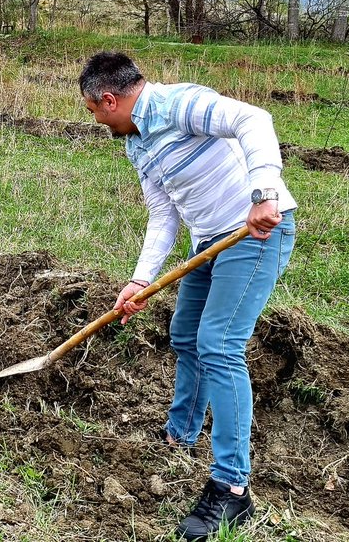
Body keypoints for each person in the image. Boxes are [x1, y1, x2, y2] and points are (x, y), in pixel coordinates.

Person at [79, 52, 296, 541]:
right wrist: (140, 279)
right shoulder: (137, 143)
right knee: (185, 335)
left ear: (109, 100)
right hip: (209, 243)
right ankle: (180, 436)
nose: (96, 120)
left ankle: (232, 489)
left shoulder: (178, 104)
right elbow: (164, 215)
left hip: (254, 235)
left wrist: (264, 191)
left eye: (94, 111)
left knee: (219, 344)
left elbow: (253, 119)